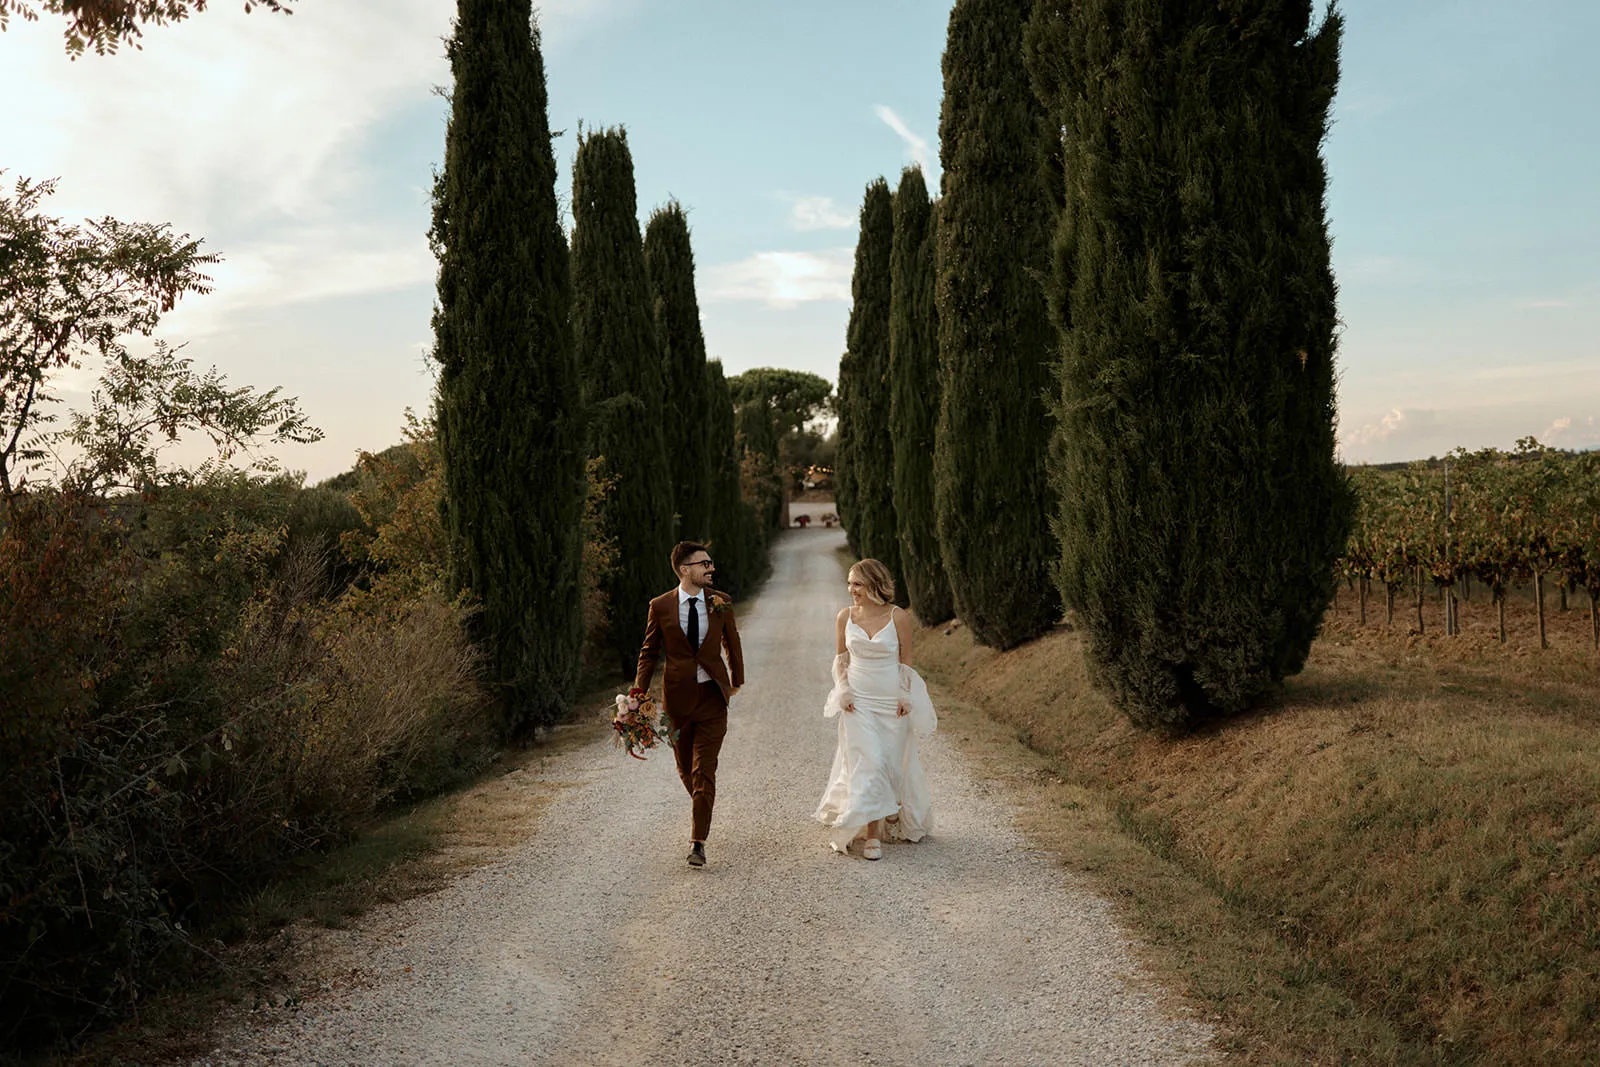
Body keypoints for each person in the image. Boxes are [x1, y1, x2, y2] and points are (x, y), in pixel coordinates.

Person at [814, 559, 935, 859]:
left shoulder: (898, 617)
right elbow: (841, 660)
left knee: (890, 764)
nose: (851, 589)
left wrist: (905, 696)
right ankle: (871, 836)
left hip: (890, 702)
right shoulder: (845, 617)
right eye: (849, 583)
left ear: (875, 584)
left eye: (858, 584)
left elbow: (905, 661)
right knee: (870, 762)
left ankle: (891, 807)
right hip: (859, 702)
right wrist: (843, 690)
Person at [634, 541, 744, 868]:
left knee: (703, 770)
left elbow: (732, 642)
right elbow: (649, 653)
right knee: (685, 769)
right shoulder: (661, 606)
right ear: (685, 569)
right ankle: (703, 803)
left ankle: (698, 842)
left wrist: (736, 680)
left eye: (711, 563)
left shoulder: (721, 602)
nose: (711, 568)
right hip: (677, 703)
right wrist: (637, 695)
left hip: (712, 698)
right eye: (704, 563)